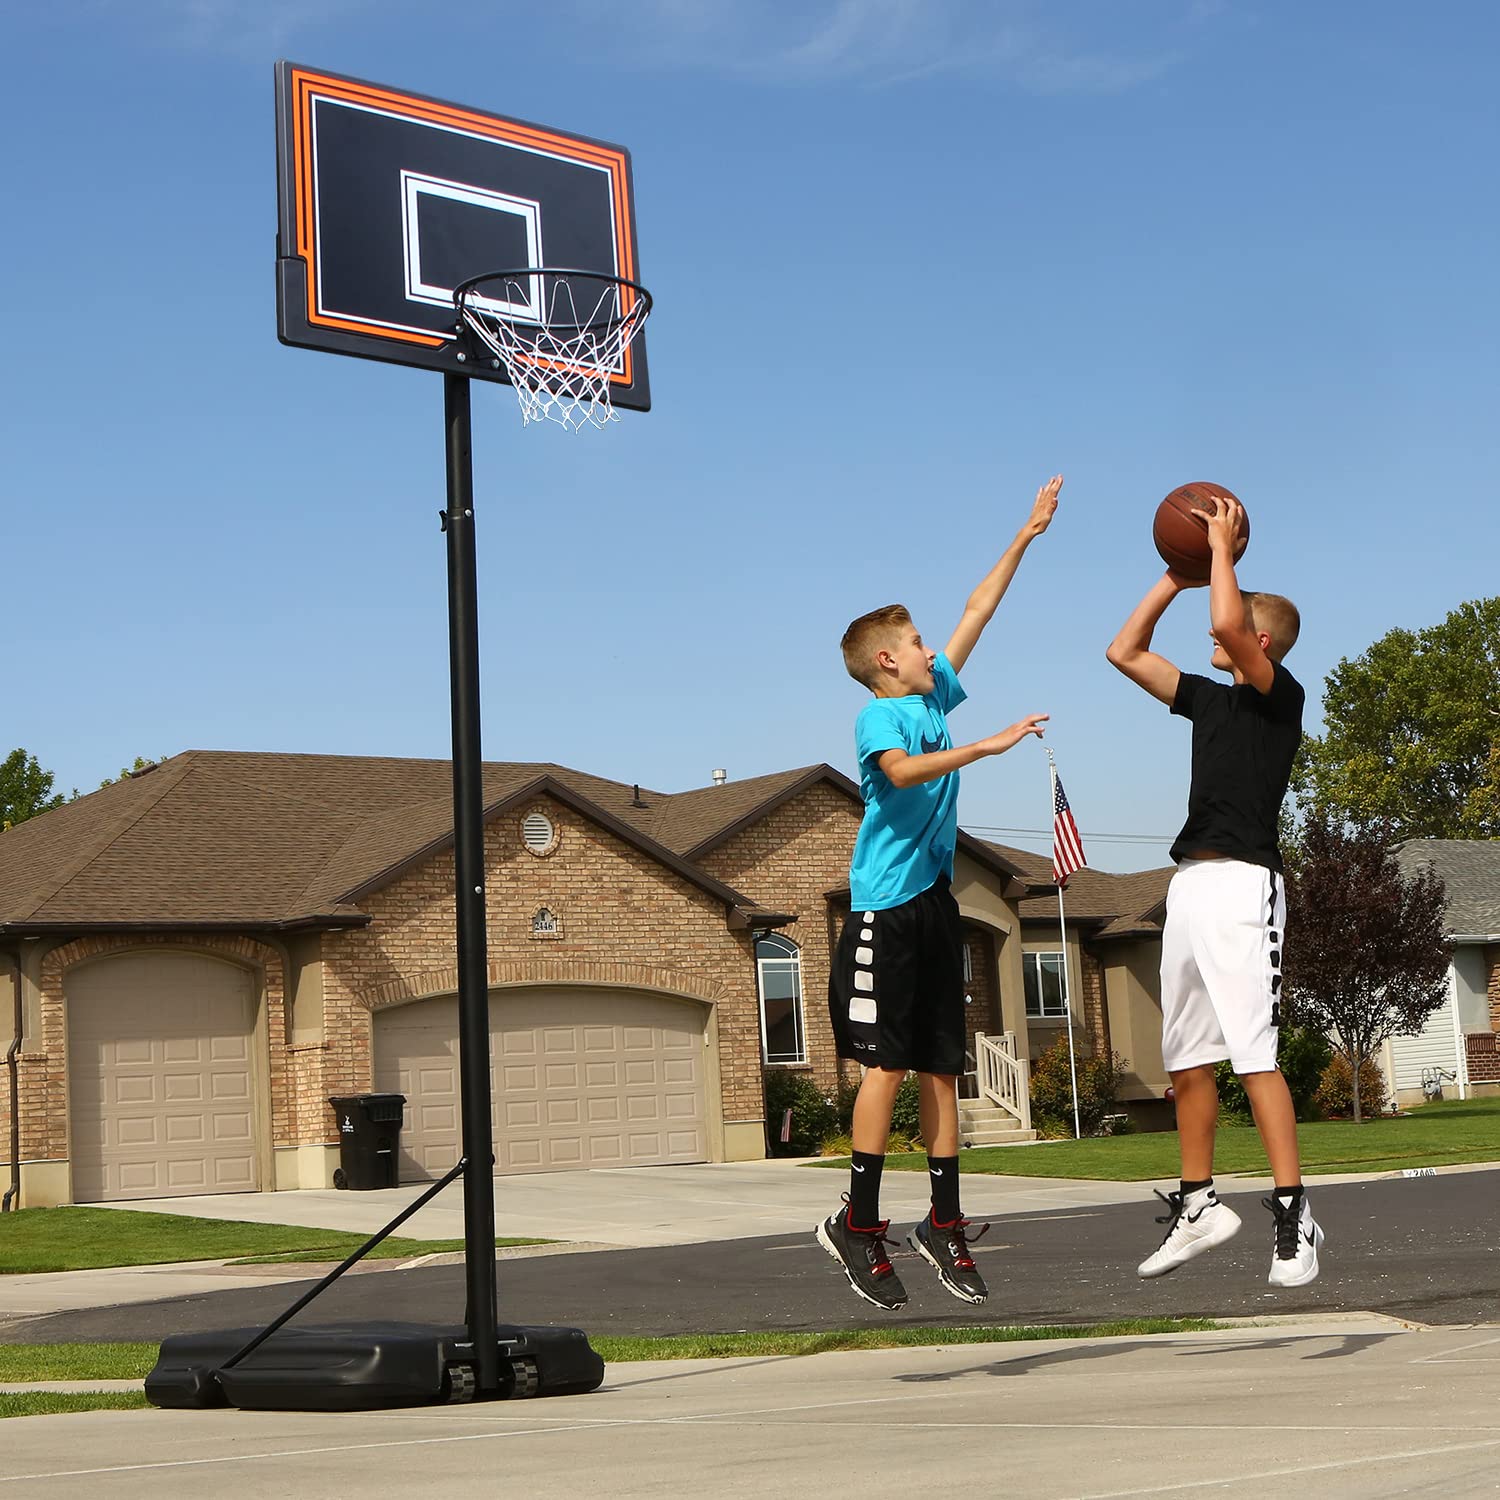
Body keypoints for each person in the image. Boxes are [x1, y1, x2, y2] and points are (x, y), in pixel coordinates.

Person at [816, 475, 1061, 1310]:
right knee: (884, 1069)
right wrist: (986, 749)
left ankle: (943, 1223)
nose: (932, 650)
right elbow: (904, 774)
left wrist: (1025, 534)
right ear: (888, 659)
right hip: (883, 911)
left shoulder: (932, 696)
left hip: (933, 908)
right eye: (918, 642)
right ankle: (858, 1223)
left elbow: (977, 610)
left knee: (943, 1070)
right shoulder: (879, 720)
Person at [1105, 493, 1322, 1287]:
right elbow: (1124, 652)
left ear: (1263, 643)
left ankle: (1296, 1212)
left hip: (1244, 887)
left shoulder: (1279, 697)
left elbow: (1229, 626)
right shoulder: (1208, 699)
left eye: (1232, 624)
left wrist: (1223, 551)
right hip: (1190, 886)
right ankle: (1200, 1205)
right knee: (1188, 1060)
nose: (1212, 628)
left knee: (1253, 1055)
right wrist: (1176, 575)